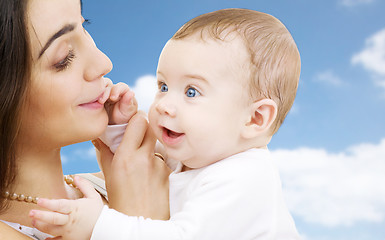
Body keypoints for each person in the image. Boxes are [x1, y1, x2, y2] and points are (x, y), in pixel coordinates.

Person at [30, 8, 301, 239]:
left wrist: (98, 226)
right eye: (163, 85)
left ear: (255, 118)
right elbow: (145, 162)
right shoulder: (201, 154)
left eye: (191, 92)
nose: (162, 105)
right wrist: (118, 128)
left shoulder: (244, 180)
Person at [0, 0, 170, 239]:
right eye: (64, 58)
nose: (103, 63)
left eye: (84, 27)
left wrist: (126, 145)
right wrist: (135, 224)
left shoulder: (135, 179)